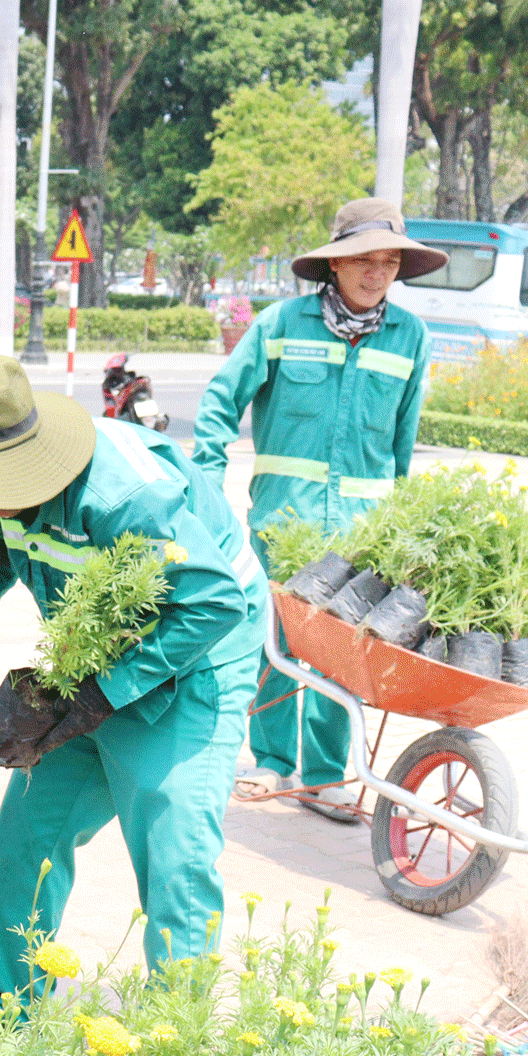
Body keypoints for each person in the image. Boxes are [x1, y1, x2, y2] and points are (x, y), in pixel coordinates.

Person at [0, 356, 265, 1029]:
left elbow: (215, 603)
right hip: (90, 651)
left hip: (198, 652)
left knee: (172, 837)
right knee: (28, 835)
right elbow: (4, 545)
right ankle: (8, 1005)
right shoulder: (11, 491)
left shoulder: (126, 495)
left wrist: (101, 696)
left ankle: (174, 1036)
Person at [191, 198, 439, 822]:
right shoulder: (281, 326)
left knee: (342, 652)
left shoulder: (412, 338)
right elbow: (220, 402)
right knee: (274, 643)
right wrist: (207, 487)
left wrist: (404, 525)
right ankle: (272, 760)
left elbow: (402, 442)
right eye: (363, 259)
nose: (376, 273)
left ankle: (327, 776)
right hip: (283, 519)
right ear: (335, 265)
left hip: (363, 529)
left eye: (389, 261)